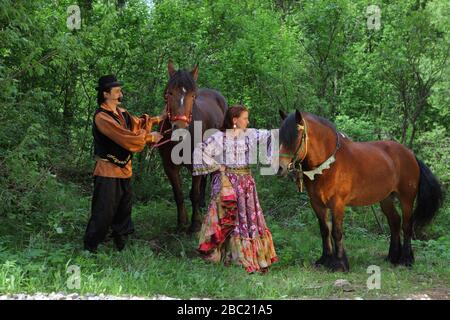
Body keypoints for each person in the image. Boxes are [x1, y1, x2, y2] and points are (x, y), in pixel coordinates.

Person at [83, 74, 164, 253]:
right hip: (107, 171)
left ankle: (120, 244)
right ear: (106, 94)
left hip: (124, 170)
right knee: (103, 211)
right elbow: (125, 137)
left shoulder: (122, 113)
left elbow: (139, 123)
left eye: (120, 90)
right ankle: (90, 248)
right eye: (117, 90)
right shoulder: (102, 117)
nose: (121, 93)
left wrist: (160, 118)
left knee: (123, 209)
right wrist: (151, 137)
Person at [193, 105, 278, 273]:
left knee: (246, 220)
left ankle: (246, 257)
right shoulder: (220, 137)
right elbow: (199, 151)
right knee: (228, 218)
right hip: (227, 183)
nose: (248, 121)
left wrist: (290, 126)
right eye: (245, 118)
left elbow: (271, 136)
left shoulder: (250, 135)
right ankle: (225, 256)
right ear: (234, 120)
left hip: (246, 183)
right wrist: (217, 166)